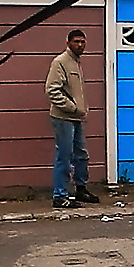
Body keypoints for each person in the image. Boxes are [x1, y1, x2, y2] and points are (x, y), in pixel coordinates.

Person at [45, 29, 101, 208]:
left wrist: (81, 110)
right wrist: (73, 108)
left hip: (76, 118)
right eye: (76, 41)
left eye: (83, 41)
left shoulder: (76, 63)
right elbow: (52, 90)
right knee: (64, 156)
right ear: (68, 42)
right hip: (63, 118)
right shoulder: (60, 62)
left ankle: (81, 189)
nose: (80, 45)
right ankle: (60, 196)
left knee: (81, 155)